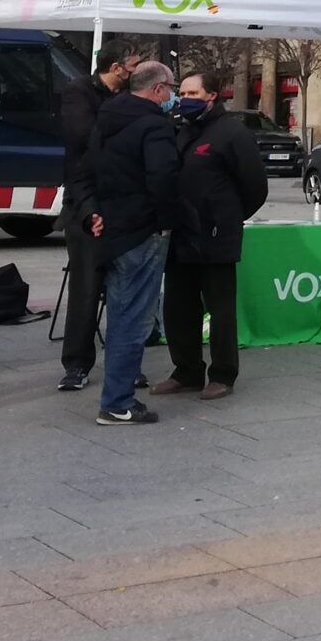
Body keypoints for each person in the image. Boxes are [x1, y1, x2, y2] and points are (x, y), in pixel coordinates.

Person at [156, 69, 267, 400]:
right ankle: (186, 371)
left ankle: (222, 374)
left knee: (219, 309)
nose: (185, 100)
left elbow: (255, 186)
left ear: (211, 96)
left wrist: (228, 218)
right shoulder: (182, 130)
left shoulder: (232, 133)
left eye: (192, 94)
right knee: (178, 307)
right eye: (183, 94)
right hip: (181, 235)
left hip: (215, 235)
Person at [89, 60, 181, 424]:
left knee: (121, 313)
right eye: (172, 90)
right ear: (158, 90)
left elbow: (88, 170)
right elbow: (163, 176)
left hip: (111, 228)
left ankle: (118, 395)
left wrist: (93, 213)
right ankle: (117, 401)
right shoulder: (155, 126)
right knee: (133, 320)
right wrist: (167, 221)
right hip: (143, 230)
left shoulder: (107, 118)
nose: (173, 97)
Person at [55, 43, 131, 393]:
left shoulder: (130, 94)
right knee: (86, 285)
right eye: (134, 63)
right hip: (84, 199)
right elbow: (83, 140)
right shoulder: (79, 92)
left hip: (122, 200)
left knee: (126, 288)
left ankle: (125, 360)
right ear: (117, 67)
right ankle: (76, 363)